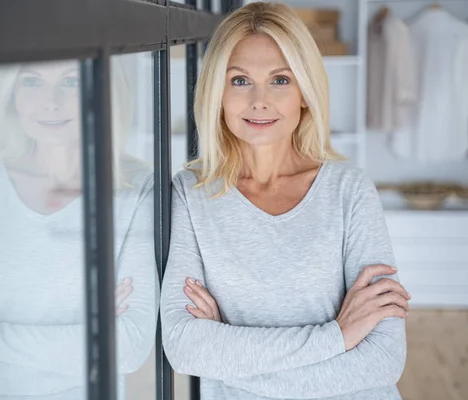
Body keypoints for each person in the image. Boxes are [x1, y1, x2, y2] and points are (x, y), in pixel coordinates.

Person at [160, 2, 409, 399]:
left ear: (305, 92)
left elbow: (383, 358)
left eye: (280, 80)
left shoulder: (349, 190)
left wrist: (229, 353)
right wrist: (338, 336)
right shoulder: (191, 193)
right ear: (217, 93)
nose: (260, 100)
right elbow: (184, 347)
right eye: (240, 80)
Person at [0, 57, 159, 400]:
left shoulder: (138, 191)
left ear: (104, 88)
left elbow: (128, 347)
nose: (51, 101)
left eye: (71, 81)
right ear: (11, 94)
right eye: (32, 82)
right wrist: (80, 356)